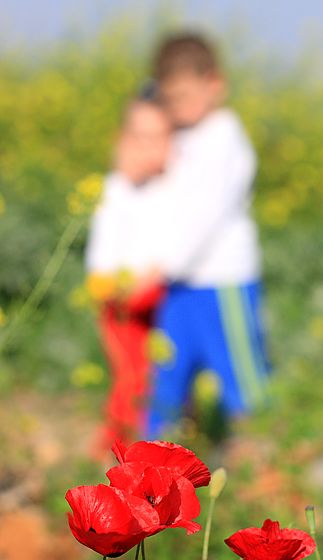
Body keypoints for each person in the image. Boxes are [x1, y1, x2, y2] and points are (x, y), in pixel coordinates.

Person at [142, 33, 271, 437]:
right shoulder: (177, 134)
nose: (176, 107)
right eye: (169, 98)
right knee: (165, 378)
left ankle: (260, 462)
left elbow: (206, 214)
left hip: (222, 281)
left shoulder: (224, 137)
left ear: (215, 84)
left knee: (239, 376)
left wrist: (164, 265)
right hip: (177, 285)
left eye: (183, 95)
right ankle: (149, 471)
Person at [85, 97, 169, 451]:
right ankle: (116, 448)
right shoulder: (116, 187)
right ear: (121, 141)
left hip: (156, 293)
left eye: (156, 139)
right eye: (137, 138)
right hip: (116, 295)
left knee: (158, 374)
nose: (145, 149)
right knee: (131, 376)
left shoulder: (171, 186)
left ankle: (159, 443)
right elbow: (102, 254)